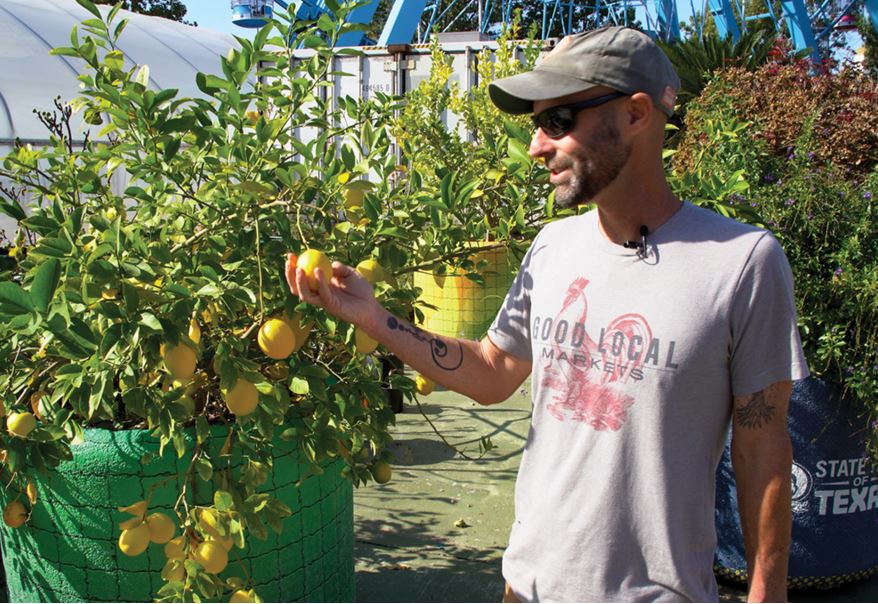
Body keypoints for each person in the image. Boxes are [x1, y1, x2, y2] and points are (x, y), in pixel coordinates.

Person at [285, 26, 808, 603]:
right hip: (528, 589)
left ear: (636, 114)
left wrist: (767, 593)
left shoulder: (742, 263)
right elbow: (491, 371)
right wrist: (371, 315)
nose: (536, 147)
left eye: (557, 121)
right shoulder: (553, 247)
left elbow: (762, 448)